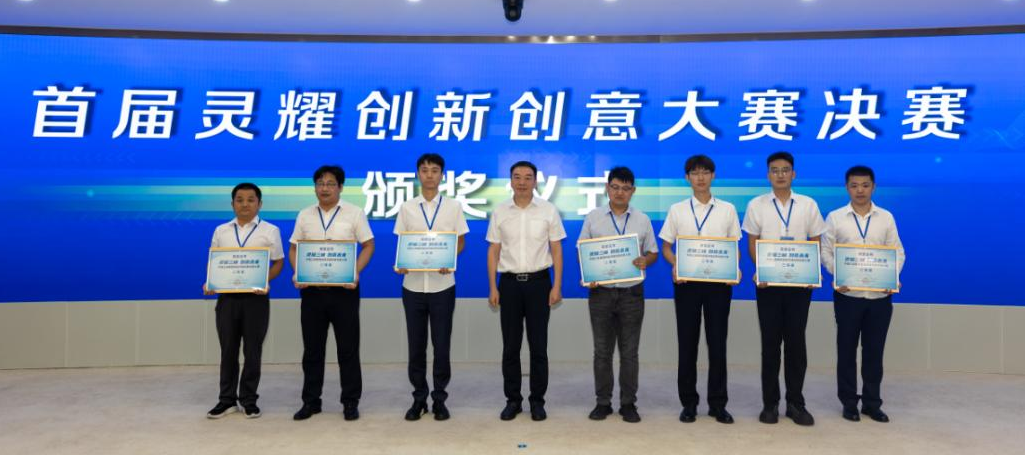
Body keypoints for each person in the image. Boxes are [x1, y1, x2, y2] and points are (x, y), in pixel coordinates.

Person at [742, 151, 827, 426]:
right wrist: (762, 269)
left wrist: (810, 270)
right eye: (775, 170)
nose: (780, 174)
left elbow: (816, 240)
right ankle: (770, 404)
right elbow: (752, 243)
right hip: (768, 284)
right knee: (770, 345)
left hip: (799, 285)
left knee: (796, 344)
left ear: (794, 174)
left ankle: (795, 403)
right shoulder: (756, 205)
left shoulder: (808, 205)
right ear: (768, 175)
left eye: (785, 169)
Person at [658, 155, 741, 424]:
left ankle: (718, 404)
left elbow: (733, 246)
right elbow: (666, 247)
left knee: (718, 345)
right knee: (687, 345)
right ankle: (689, 403)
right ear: (687, 178)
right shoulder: (677, 210)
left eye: (705, 172)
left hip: (719, 285)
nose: (700, 177)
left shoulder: (727, 209)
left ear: (713, 175)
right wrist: (676, 264)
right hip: (687, 285)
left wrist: (734, 269)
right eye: (695, 173)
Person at [289, 165, 375, 421]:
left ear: (340, 187)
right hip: (312, 293)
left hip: (344, 293)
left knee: (348, 349)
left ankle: (350, 402)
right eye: (320, 183)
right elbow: (293, 248)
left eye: (330, 183)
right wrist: (298, 272)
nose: (324, 188)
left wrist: (355, 272)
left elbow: (368, 245)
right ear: (315, 187)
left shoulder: (354, 213)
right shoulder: (305, 215)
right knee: (312, 350)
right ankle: (311, 401)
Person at [821, 165, 905, 423]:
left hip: (879, 298)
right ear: (847, 188)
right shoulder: (835, 217)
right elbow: (826, 252)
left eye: (865, 185)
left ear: (873, 187)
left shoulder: (886, 218)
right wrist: (838, 274)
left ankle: (871, 403)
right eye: (854, 185)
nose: (860, 190)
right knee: (846, 351)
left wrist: (891, 277)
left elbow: (898, 252)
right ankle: (849, 403)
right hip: (848, 296)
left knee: (874, 352)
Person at [486, 161, 566, 421]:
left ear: (535, 181)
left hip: (539, 284)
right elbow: (494, 250)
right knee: (510, 347)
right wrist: (493, 286)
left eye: (528, 177)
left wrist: (557, 285)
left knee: (538, 347)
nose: (522, 182)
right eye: (517, 177)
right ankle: (513, 400)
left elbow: (556, 250)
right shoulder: (500, 211)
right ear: (510, 181)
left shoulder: (548, 210)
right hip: (509, 285)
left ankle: (537, 401)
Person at [578, 166, 658, 423]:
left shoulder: (642, 219)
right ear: (607, 188)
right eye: (615, 187)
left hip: (631, 294)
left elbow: (653, 252)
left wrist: (645, 260)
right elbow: (582, 250)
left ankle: (628, 403)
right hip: (600, 293)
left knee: (629, 352)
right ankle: (602, 402)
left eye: (625, 188)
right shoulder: (593, 217)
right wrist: (589, 273)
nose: (620, 192)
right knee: (602, 351)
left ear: (633, 191)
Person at [393, 153, 469, 421]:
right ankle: (418, 398)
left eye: (434, 170)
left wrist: (450, 259)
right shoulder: (407, 207)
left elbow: (460, 241)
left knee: (441, 345)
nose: (429, 175)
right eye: (424, 170)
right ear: (418, 174)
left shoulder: (453, 207)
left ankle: (439, 399)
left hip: (443, 286)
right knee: (416, 347)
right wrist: (402, 263)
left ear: (442, 175)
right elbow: (403, 243)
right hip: (412, 286)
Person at [204, 182, 284, 419]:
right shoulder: (221, 231)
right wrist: (210, 282)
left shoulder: (270, 231)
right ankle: (226, 399)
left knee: (253, 351)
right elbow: (216, 262)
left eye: (251, 200)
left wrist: (264, 280)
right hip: (227, 299)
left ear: (260, 204)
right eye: (239, 200)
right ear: (232, 204)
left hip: (256, 300)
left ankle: (249, 400)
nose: (245, 204)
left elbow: (278, 262)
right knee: (228, 350)